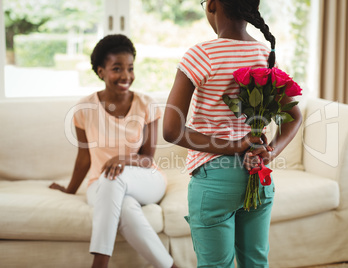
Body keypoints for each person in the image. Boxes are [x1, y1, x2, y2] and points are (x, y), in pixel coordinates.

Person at [163, 0, 302, 267]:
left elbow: (171, 130)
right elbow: (294, 117)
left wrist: (235, 146)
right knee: (256, 262)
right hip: (258, 176)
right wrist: (269, 152)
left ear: (213, 5)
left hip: (214, 180)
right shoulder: (265, 54)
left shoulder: (201, 55)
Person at [49, 34, 176, 268]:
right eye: (117, 68)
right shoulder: (84, 108)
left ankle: (100, 261)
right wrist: (69, 190)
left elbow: (148, 159)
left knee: (114, 176)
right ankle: (171, 266)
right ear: (101, 72)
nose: (126, 76)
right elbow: (84, 158)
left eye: (130, 68)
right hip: (100, 184)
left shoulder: (146, 104)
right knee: (125, 206)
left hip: (145, 179)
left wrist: (123, 159)